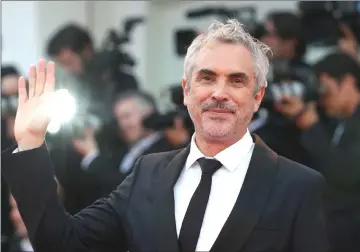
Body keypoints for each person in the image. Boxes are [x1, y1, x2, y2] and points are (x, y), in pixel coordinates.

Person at [2, 19, 329, 252]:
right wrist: (31, 142)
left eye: (237, 81)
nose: (219, 93)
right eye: (207, 77)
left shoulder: (298, 186)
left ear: (257, 97)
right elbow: (62, 242)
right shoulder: (147, 174)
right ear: (187, 92)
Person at [277, 52, 360, 252]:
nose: (322, 98)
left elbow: (345, 175)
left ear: (348, 82)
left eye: (325, 88)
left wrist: (312, 127)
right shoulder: (335, 123)